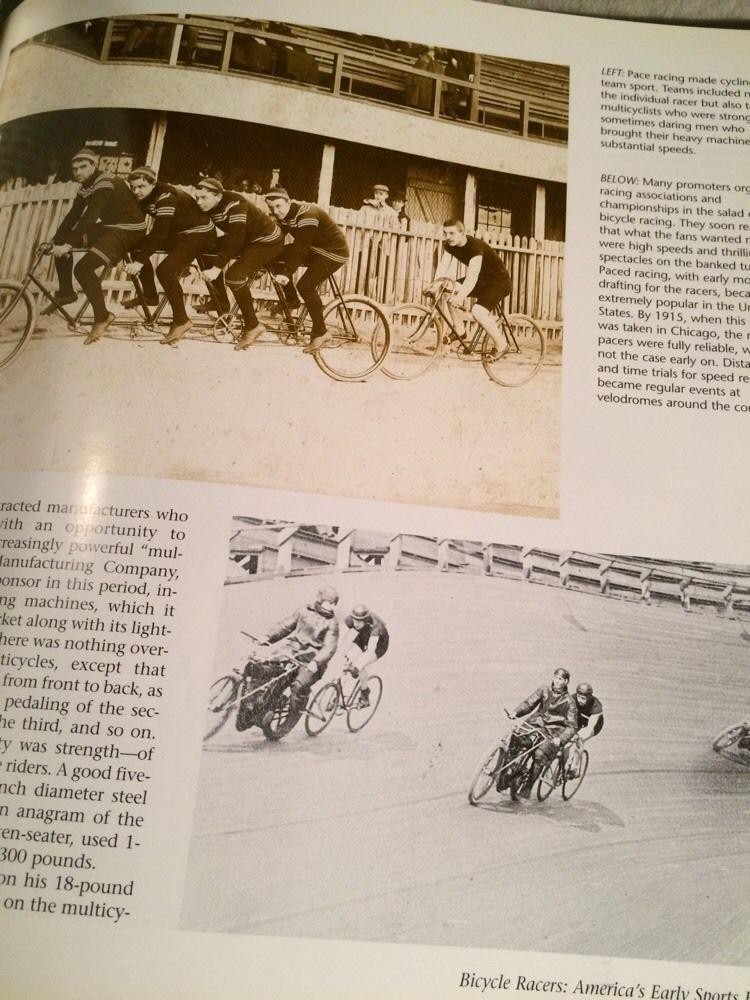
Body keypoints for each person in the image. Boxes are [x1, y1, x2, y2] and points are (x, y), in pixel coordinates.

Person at [44, 148, 147, 344]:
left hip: (129, 229)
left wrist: (68, 245)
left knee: (83, 269)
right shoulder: (86, 185)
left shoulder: (105, 181)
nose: (78, 172)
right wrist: (56, 240)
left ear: (94, 165)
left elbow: (90, 217)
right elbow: (73, 215)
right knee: (61, 239)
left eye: (83, 167)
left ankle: (103, 316)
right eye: (74, 169)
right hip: (110, 226)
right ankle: (67, 292)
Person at [123, 166, 216, 343]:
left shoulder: (166, 195)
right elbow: (136, 224)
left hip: (200, 233)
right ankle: (150, 296)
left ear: (153, 183)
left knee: (165, 270)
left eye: (141, 186)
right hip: (179, 234)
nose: (136, 191)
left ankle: (181, 320)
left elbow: (159, 234)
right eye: (133, 187)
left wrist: (140, 263)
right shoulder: (142, 197)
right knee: (135, 246)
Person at [194, 177, 285, 349]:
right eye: (197, 198)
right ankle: (220, 301)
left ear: (218, 197)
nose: (199, 202)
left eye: (203, 198)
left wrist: (216, 268)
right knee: (204, 249)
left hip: (267, 241)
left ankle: (253, 325)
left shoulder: (236, 204)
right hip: (247, 240)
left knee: (234, 276)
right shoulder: (208, 205)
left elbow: (235, 239)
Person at [264, 187, 350, 353]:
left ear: (289, 202)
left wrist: (286, 272)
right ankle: (292, 301)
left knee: (305, 286)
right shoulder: (284, 216)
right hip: (315, 248)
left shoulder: (307, 214)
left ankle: (321, 332)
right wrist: (262, 260)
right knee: (272, 255)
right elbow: (276, 242)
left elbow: (300, 248)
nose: (276, 211)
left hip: (334, 252)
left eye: (279, 206)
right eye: (271, 208)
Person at [248, 585, 340, 715]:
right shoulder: (304, 610)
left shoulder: (332, 623)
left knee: (299, 685)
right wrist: (267, 636)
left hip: (311, 660)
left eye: (334, 604)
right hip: (291, 650)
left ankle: (294, 714)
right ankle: (253, 701)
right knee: (263, 666)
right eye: (329, 603)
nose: (332, 606)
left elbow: (329, 648)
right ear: (320, 600)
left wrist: (316, 662)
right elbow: (286, 625)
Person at [428, 219, 511, 358]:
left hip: (498, 281)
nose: (448, 237)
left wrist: (460, 297)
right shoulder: (449, 245)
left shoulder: (475, 248)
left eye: (452, 233)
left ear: (463, 233)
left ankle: (502, 345)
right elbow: (443, 267)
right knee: (448, 289)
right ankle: (460, 330)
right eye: (445, 233)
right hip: (482, 280)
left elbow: (472, 277)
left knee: (478, 312)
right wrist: (434, 285)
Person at [508, 667, 578, 798]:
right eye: (556, 678)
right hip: (535, 723)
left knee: (540, 755)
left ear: (566, 682)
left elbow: (572, 726)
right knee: (516, 736)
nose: (557, 681)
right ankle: (509, 767)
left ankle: (528, 787)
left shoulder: (570, 702)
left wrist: (561, 739)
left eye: (561, 679)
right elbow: (529, 703)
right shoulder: (543, 690)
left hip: (553, 731)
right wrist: (516, 712)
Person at [340, 604, 390, 708]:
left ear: (365, 620)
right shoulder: (351, 620)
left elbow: (370, 651)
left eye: (359, 621)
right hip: (363, 636)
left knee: (359, 665)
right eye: (355, 620)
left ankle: (365, 694)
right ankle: (338, 692)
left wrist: (357, 666)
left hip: (378, 644)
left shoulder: (376, 626)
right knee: (347, 660)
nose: (356, 623)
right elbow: (345, 637)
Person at [565, 682, 604, 777]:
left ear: (589, 697)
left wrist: (577, 735)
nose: (580, 700)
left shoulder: (596, 706)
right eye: (579, 697)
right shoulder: (572, 698)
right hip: (579, 721)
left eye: (583, 698)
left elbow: (590, 726)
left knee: (579, 739)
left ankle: (575, 769)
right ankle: (564, 763)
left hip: (593, 725)